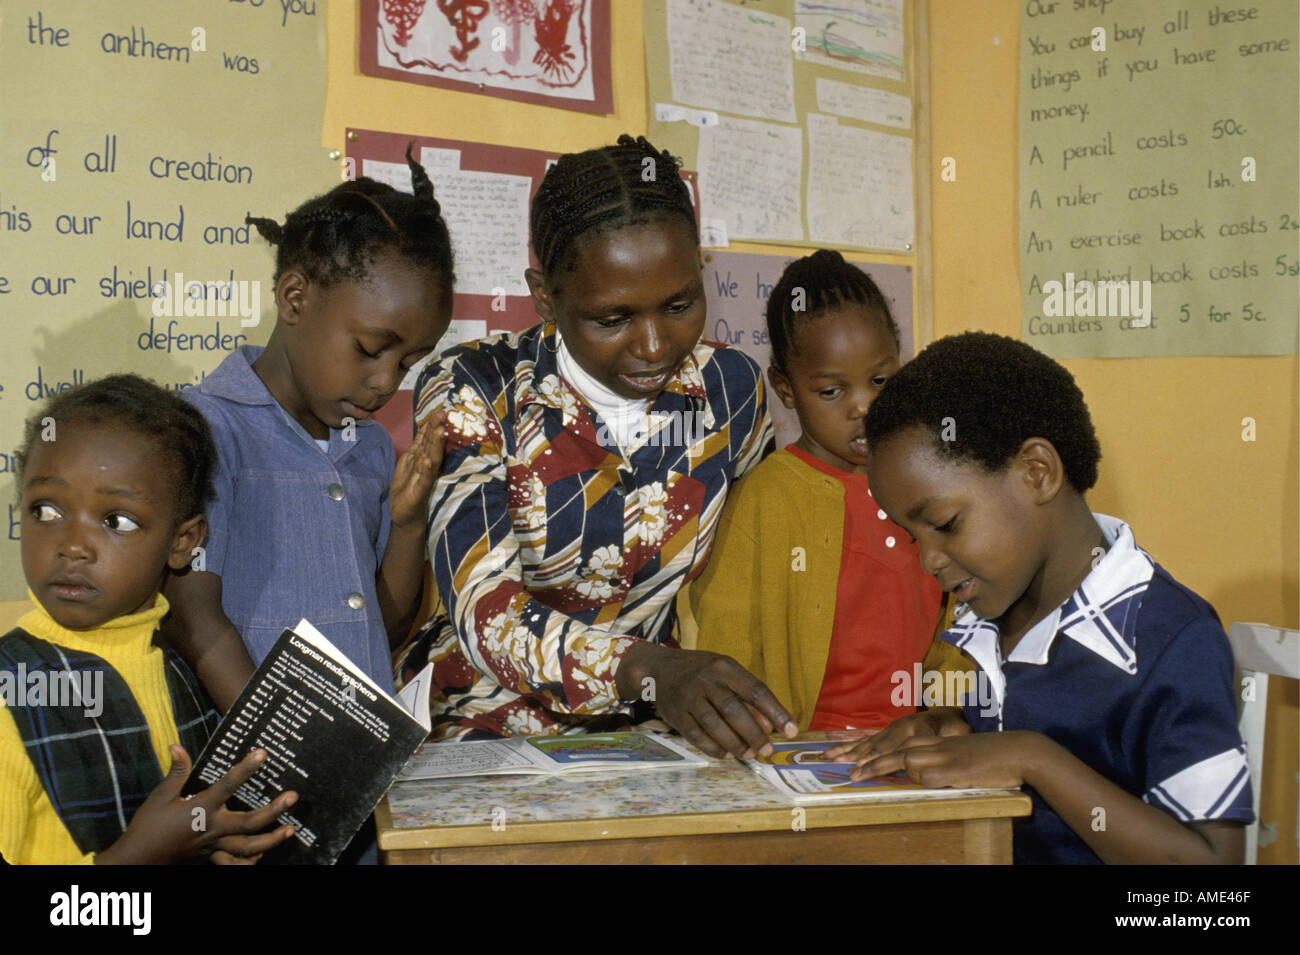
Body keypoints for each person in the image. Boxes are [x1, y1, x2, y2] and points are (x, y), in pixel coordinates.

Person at [400, 135, 797, 757]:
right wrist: (651, 671)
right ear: (544, 296)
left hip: (654, 736)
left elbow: (753, 560)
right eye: (612, 319)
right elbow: (486, 611)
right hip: (480, 731)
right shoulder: (476, 388)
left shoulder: (730, 389)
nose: (653, 345)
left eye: (679, 304)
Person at [828, 332, 1252, 864]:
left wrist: (1034, 759)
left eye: (945, 524)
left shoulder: (1171, 639)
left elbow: (1214, 875)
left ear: (1037, 473)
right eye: (917, 537)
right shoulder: (994, 614)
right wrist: (950, 726)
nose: (929, 560)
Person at [165, 145, 455, 711]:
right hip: (255, 770)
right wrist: (282, 746)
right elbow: (191, 618)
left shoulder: (368, 448)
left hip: (352, 766)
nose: (385, 382)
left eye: (408, 363)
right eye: (371, 349)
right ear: (296, 298)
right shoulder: (207, 429)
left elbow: (382, 627)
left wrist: (406, 522)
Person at [1, 375, 298, 864]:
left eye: (117, 520)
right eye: (47, 510)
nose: (72, 546)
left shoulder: (179, 669)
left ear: (182, 543)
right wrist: (137, 856)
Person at [691, 250, 968, 731]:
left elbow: (959, 620)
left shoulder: (927, 487)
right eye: (832, 391)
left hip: (913, 745)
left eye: (881, 380)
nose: (864, 406)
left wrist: (946, 717)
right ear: (787, 388)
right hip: (794, 749)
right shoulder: (764, 498)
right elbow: (727, 641)